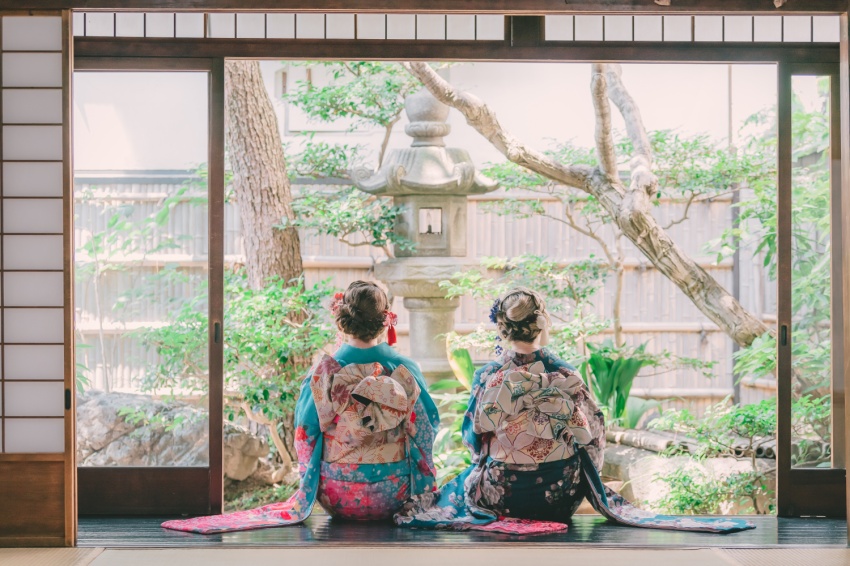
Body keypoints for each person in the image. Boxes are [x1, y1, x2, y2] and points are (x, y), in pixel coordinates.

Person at [394, 287, 754, 535]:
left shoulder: (490, 376)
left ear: (501, 329)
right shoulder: (565, 374)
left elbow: (473, 442)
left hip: (502, 495)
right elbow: (592, 440)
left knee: (466, 481)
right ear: (542, 323)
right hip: (559, 496)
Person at [163, 280, 439, 534]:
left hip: (336, 495)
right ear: (385, 321)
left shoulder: (324, 372)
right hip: (394, 494)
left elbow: (304, 433)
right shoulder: (404, 370)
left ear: (342, 319)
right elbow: (427, 429)